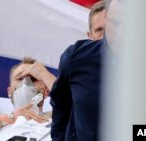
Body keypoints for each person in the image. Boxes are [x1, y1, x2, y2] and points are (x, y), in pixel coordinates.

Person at [50, 0, 122, 140]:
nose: (122, 33)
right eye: (116, 23)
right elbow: (60, 104)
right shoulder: (76, 58)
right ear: (106, 17)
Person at [0, 57, 52, 140]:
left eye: (33, 79)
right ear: (9, 91)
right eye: (20, 78)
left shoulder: (57, 120)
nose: (25, 82)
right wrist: (8, 118)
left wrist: (45, 75)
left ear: (46, 92)